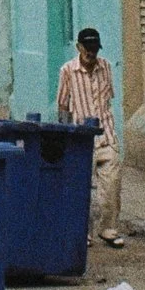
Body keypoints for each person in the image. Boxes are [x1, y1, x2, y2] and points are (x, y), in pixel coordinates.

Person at [54, 26, 125, 248]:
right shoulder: (67, 71)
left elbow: (108, 100)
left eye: (94, 49)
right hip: (80, 137)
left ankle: (109, 230)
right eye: (87, 49)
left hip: (107, 134)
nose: (91, 54)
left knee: (111, 184)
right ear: (79, 48)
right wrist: (64, 137)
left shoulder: (105, 67)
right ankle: (82, 231)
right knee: (80, 189)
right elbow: (63, 105)